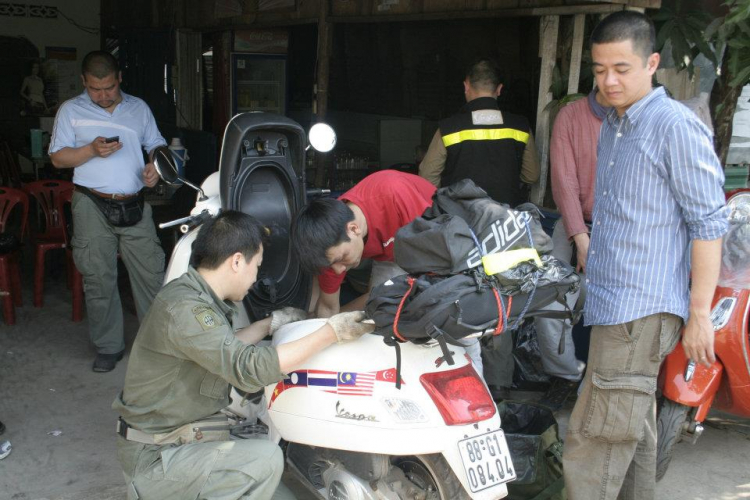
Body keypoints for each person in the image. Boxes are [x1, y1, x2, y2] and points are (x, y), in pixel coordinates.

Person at [562, 11, 728, 500]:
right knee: (630, 427)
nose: (608, 81)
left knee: (594, 438)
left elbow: (708, 224)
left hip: (641, 310)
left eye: (622, 68)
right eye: (598, 69)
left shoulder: (673, 127)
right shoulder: (616, 124)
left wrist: (700, 315)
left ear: (652, 62)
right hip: (615, 304)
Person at [113, 210, 374, 499]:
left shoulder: (192, 296)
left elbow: (220, 348)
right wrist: (330, 332)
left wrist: (268, 325)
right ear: (237, 261)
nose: (256, 277)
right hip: (158, 459)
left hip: (183, 441)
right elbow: (245, 368)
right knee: (265, 460)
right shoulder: (187, 310)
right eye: (257, 266)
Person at [49, 51, 166, 372]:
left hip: (134, 202)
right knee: (98, 277)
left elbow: (156, 143)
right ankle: (108, 346)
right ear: (84, 82)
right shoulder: (70, 110)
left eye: (109, 88)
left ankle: (158, 348)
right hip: (91, 202)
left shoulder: (138, 108)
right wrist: (90, 150)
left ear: (119, 80)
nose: (103, 95)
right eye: (95, 89)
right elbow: (58, 159)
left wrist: (154, 166)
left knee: (151, 275)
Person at [533, 88, 611, 411]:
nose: (611, 80)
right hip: (574, 219)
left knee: (605, 301)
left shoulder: (641, 117)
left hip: (619, 228)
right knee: (548, 294)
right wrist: (580, 237)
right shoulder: (572, 116)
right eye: (604, 68)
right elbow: (563, 182)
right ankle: (565, 375)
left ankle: (601, 382)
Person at [419, 57, 540, 207]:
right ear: (499, 89)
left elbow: (427, 177)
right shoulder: (520, 126)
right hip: (506, 219)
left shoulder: (448, 128)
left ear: (466, 86)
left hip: (460, 218)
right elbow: (531, 176)